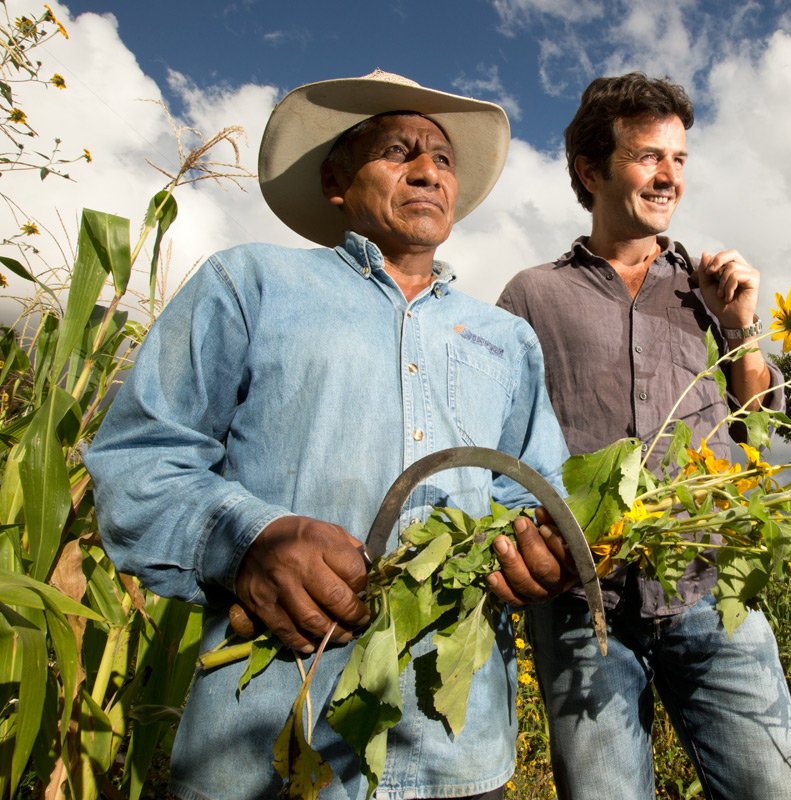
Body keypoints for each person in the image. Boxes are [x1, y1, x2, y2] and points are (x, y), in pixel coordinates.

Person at [84, 71, 575, 800]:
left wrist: (539, 550)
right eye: (397, 151)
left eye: (442, 158)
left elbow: (536, 489)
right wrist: (251, 540)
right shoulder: (250, 283)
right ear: (335, 179)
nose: (427, 170)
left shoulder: (507, 340)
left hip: (456, 752)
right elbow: (139, 459)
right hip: (272, 742)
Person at [497, 73, 791, 800]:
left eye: (679, 158)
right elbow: (503, 439)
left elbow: (757, 430)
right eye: (648, 156)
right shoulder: (530, 296)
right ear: (591, 170)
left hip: (710, 593)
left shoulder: (712, 286)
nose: (669, 175)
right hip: (585, 605)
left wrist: (742, 328)